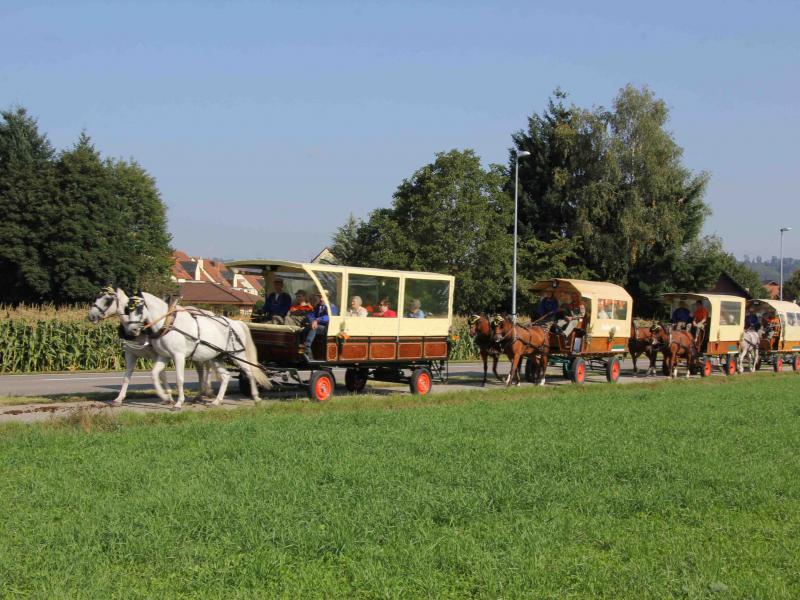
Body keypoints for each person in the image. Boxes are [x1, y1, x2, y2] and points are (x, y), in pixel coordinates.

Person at [304, 292, 332, 361]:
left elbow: (329, 317)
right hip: (318, 326)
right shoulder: (318, 306)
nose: (321, 299)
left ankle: (308, 350)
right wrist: (312, 320)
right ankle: (300, 347)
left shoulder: (331, 307)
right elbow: (311, 314)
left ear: (327, 298)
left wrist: (317, 320)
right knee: (305, 328)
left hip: (327, 328)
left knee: (314, 328)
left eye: (323, 297)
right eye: (320, 297)